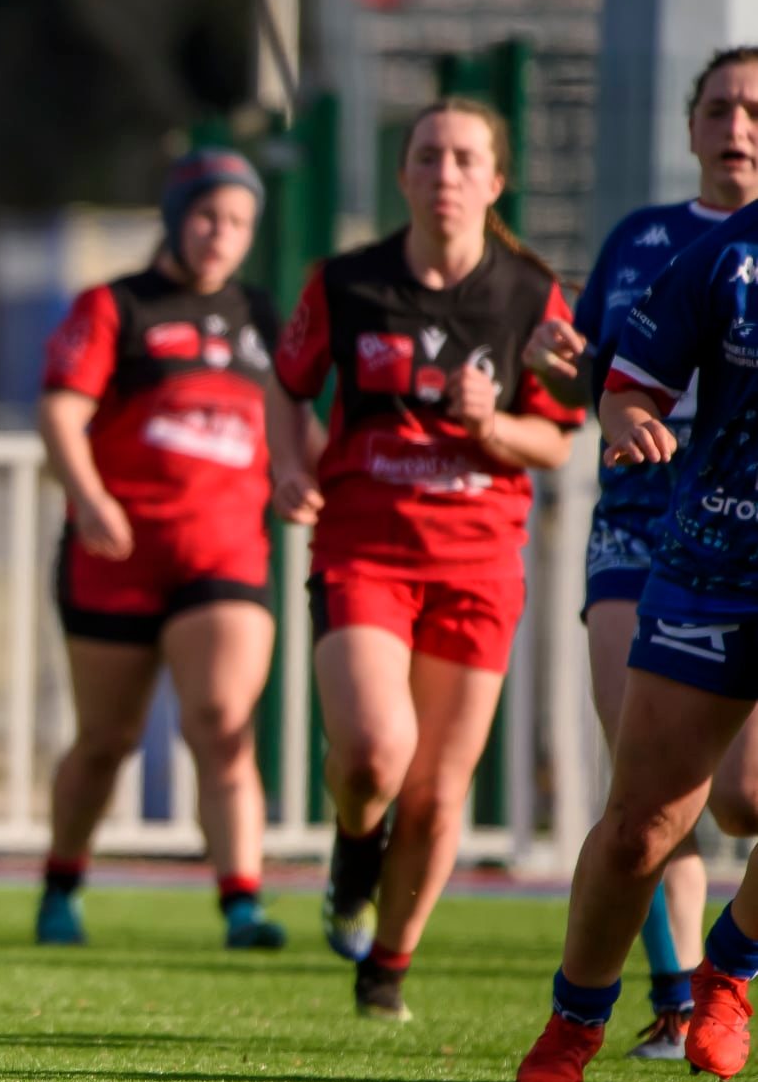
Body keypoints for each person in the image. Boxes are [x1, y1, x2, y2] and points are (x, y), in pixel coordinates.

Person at [271, 97, 583, 1023]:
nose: (443, 174)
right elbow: (286, 387)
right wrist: (289, 463)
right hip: (363, 544)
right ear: (401, 175)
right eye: (426, 156)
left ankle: (385, 970)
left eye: (462, 159)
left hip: (478, 559)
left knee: (440, 797)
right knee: (373, 751)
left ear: (494, 182)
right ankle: (350, 854)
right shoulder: (343, 282)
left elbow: (558, 437)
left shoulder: (530, 294)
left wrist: (492, 423)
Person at [521, 48, 758, 1059]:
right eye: (720, 107)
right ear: (691, 124)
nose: (737, 126)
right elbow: (621, 374)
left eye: (754, 109)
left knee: (749, 800)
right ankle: (579, 1021)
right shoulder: (707, 251)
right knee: (643, 819)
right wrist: (614, 407)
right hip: (697, 547)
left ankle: (727, 972)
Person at [35, 148, 316, 951]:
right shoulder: (115, 306)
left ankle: (241, 902)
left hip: (223, 557)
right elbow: (60, 413)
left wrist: (306, 474)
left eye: (237, 223)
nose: (219, 235)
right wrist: (90, 501)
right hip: (114, 556)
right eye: (206, 216)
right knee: (105, 740)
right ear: (174, 217)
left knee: (222, 721)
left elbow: (298, 427)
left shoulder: (261, 318)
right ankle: (61, 886)